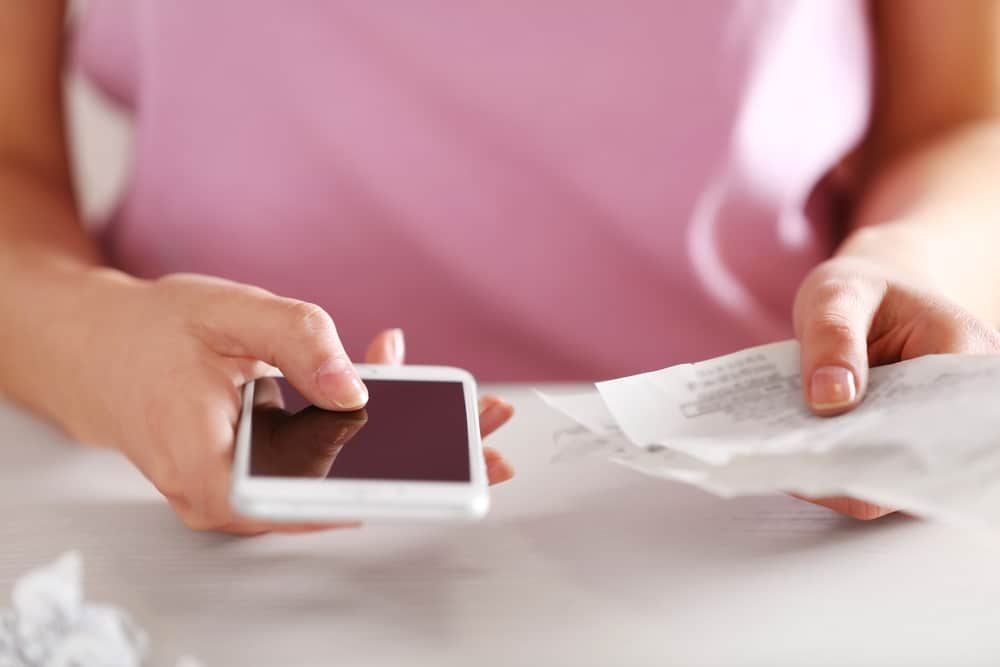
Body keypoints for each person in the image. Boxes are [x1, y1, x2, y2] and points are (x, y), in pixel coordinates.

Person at [2, 1, 999, 533]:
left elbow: (964, 120)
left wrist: (920, 265)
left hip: (761, 515)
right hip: (146, 503)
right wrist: (93, 345)